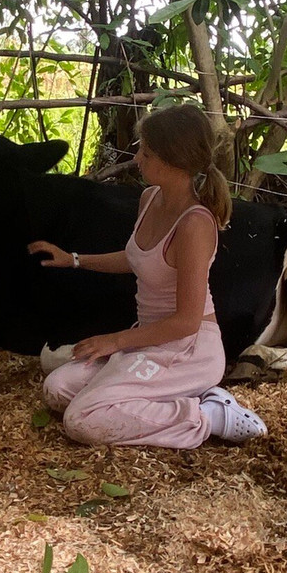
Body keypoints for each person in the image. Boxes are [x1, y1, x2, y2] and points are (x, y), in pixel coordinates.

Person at [27, 104, 267, 448]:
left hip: (187, 349)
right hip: (148, 340)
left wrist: (115, 341)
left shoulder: (195, 224)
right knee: (57, 389)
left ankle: (209, 415)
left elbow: (186, 321)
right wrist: (74, 260)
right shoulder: (150, 198)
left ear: (173, 160)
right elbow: (137, 258)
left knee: (80, 420)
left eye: (147, 152)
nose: (138, 158)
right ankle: (155, 398)